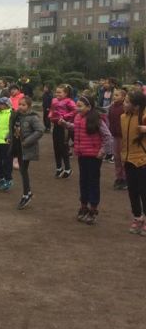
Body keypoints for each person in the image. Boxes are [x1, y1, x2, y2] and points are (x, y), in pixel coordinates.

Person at [68, 94, 113, 225]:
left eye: (80, 106)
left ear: (89, 107)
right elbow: (77, 128)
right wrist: (65, 124)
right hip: (82, 155)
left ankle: (93, 209)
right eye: (77, 106)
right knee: (83, 181)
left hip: (94, 157)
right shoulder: (78, 117)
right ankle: (83, 206)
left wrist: (103, 151)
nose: (77, 108)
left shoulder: (97, 119)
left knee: (93, 182)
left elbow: (108, 136)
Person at [120, 90, 146, 234]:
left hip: (143, 160)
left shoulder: (144, 116)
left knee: (144, 192)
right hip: (128, 159)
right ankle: (137, 217)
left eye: (127, 102)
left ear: (136, 106)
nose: (124, 103)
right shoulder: (123, 117)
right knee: (132, 191)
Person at [12, 96, 44, 210]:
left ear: (29, 106)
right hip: (17, 147)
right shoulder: (17, 116)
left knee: (23, 170)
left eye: (23, 105)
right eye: (19, 104)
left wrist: (27, 141)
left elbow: (40, 130)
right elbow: (13, 128)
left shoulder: (32, 117)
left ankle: (26, 194)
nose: (20, 106)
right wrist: (9, 137)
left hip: (26, 148)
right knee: (22, 170)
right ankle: (27, 192)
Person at [48, 84, 76, 178]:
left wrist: (64, 117)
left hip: (64, 126)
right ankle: (59, 168)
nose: (57, 94)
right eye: (56, 92)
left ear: (66, 93)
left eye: (60, 92)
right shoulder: (54, 100)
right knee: (56, 147)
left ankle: (68, 168)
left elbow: (75, 111)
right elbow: (52, 110)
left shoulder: (69, 101)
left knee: (63, 147)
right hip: (56, 126)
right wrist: (50, 116)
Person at [0, 96, 13, 191]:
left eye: (1, 104)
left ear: (7, 105)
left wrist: (9, 137)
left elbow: (12, 128)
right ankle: (1, 178)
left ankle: (8, 179)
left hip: (6, 142)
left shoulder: (11, 114)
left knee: (7, 161)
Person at [109, 87, 128, 190]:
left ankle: (125, 178)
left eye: (117, 95)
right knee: (116, 157)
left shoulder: (125, 108)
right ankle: (119, 177)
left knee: (123, 158)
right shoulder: (112, 107)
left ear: (123, 97)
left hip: (123, 136)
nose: (114, 96)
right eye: (114, 95)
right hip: (115, 135)